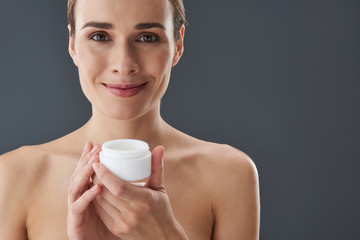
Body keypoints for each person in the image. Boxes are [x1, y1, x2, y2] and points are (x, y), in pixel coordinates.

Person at [0, 0, 260, 239]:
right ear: (72, 44)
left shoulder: (229, 174)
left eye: (147, 37)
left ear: (178, 44)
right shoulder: (13, 177)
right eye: (99, 36)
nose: (124, 65)